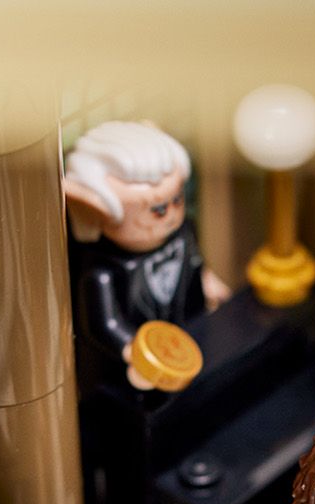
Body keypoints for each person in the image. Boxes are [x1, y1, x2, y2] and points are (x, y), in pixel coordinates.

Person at [63, 120, 230, 390]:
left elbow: (195, 264)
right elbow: (104, 323)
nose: (171, 215)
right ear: (97, 211)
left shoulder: (183, 234)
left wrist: (209, 281)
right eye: (158, 210)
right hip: (132, 371)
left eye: (177, 200)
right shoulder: (103, 270)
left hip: (190, 333)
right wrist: (133, 350)